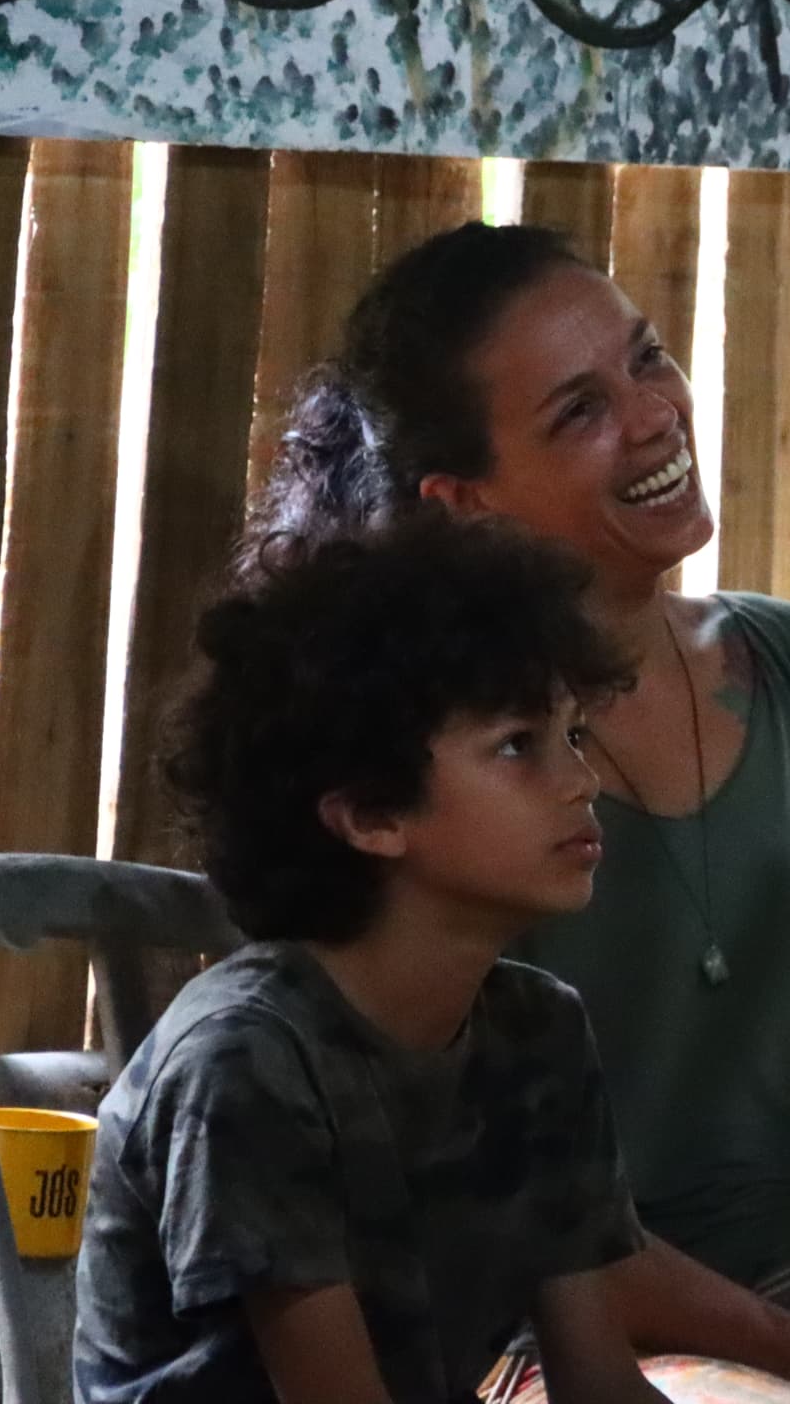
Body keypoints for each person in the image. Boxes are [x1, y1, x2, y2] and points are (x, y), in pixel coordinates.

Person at [250, 222, 790, 1404]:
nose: (652, 416)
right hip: (580, 1342)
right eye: (579, 412)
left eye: (647, 359)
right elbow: (504, 1220)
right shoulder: (443, 775)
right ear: (466, 500)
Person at [72, 515, 662, 1404]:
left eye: (574, 736)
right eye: (517, 745)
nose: (583, 781)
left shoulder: (538, 1031)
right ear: (371, 815)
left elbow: (601, 1384)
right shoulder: (246, 1062)